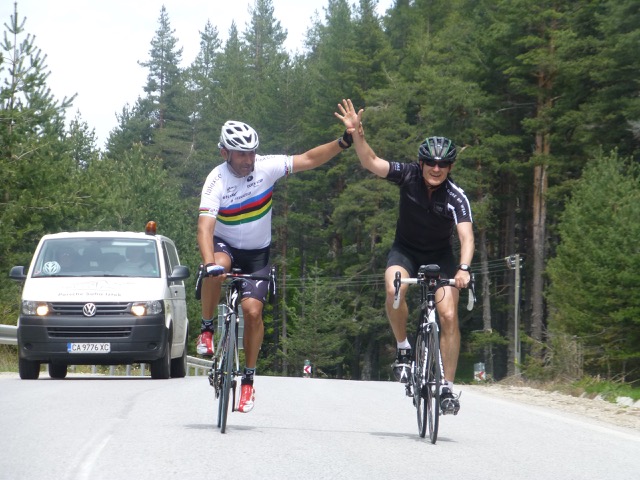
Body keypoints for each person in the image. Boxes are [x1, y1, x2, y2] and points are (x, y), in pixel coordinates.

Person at [197, 120, 353, 413]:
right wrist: (208, 264)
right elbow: (205, 228)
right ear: (224, 153)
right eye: (241, 154)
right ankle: (206, 328)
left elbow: (308, 159)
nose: (248, 160)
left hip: (257, 253)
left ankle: (248, 381)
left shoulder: (266, 167)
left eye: (252, 153)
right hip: (224, 245)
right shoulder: (216, 180)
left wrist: (343, 142)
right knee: (217, 268)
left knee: (253, 312)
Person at [335, 99, 474, 415]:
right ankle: (403, 348)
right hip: (406, 251)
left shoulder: (455, 196)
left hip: (441, 257)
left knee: (448, 315)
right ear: (421, 163)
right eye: (430, 163)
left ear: (450, 167)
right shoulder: (407, 175)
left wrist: (464, 268)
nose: (436, 169)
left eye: (443, 165)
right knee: (393, 288)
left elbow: (467, 236)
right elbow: (371, 161)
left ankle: (447, 388)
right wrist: (357, 134)